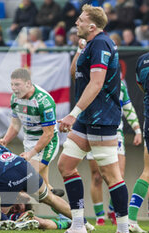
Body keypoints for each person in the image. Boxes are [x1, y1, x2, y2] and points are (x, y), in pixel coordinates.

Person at [57, 4, 128, 233]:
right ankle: (78, 225)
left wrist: (72, 114)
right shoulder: (90, 44)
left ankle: (124, 228)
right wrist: (80, 49)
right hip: (86, 119)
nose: (76, 22)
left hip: (101, 118)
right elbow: (75, 73)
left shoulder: (101, 44)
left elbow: (96, 84)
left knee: (110, 175)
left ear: (92, 25)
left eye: (80, 19)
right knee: (66, 166)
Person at [0, 68, 63, 196]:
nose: (14, 88)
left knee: (24, 178)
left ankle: (11, 212)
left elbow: (48, 134)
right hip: (28, 141)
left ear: (28, 83)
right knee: (43, 190)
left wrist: (30, 153)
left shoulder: (44, 101)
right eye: (12, 84)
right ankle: (64, 214)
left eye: (17, 84)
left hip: (46, 143)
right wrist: (5, 140)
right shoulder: (15, 98)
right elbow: (15, 125)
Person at [87, 80, 142, 226]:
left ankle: (112, 210)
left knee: (119, 175)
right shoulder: (91, 80)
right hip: (94, 132)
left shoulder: (121, 84)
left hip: (115, 133)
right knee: (97, 176)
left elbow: (127, 107)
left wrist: (137, 129)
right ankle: (99, 216)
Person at [126, 50, 149, 233]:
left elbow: (141, 86)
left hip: (148, 118)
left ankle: (132, 220)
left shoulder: (142, 60)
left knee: (147, 171)